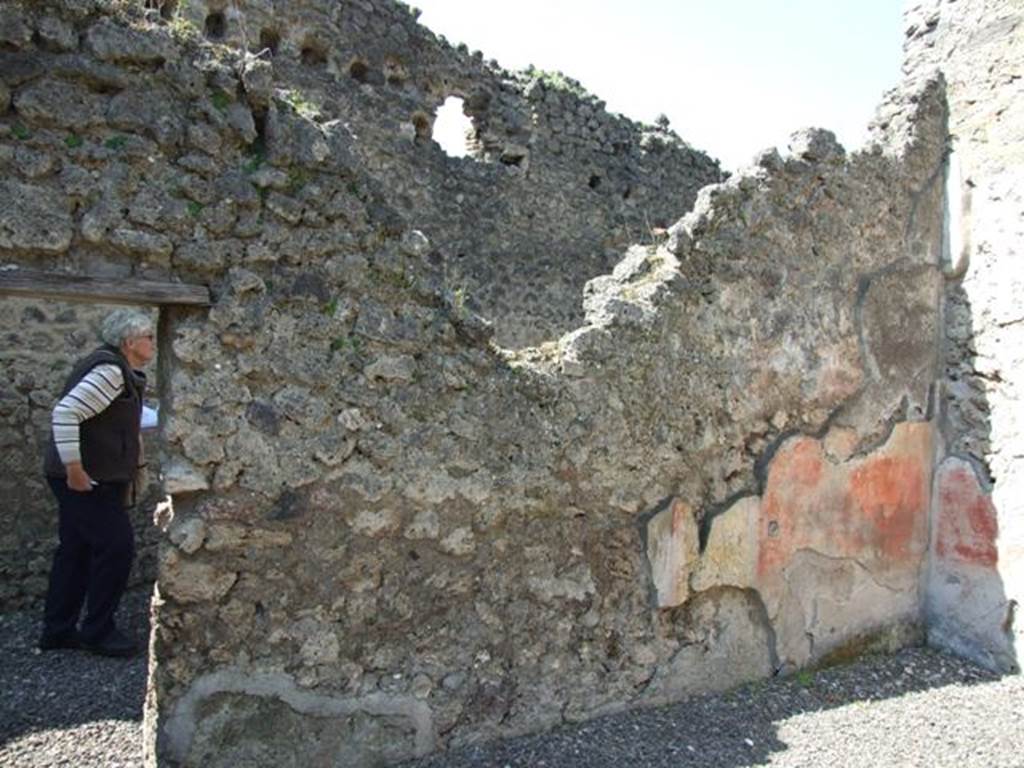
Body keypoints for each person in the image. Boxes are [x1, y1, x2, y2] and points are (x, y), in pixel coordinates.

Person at [38, 309, 155, 657]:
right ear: (129, 342)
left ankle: (58, 629)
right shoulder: (109, 372)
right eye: (148, 336)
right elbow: (65, 412)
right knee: (117, 548)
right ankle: (98, 631)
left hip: (84, 477)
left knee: (75, 549)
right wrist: (75, 468)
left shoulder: (115, 370)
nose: (153, 342)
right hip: (89, 480)